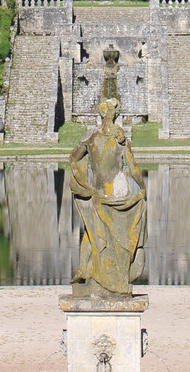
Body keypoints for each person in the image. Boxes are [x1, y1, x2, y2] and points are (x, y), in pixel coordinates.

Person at [68, 97, 147, 297]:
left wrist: (82, 183)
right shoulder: (120, 139)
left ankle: (85, 273)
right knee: (118, 238)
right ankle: (117, 279)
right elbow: (134, 168)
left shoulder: (91, 139)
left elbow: (73, 159)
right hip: (119, 193)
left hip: (99, 193)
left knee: (94, 235)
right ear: (116, 115)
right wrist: (143, 188)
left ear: (101, 113)